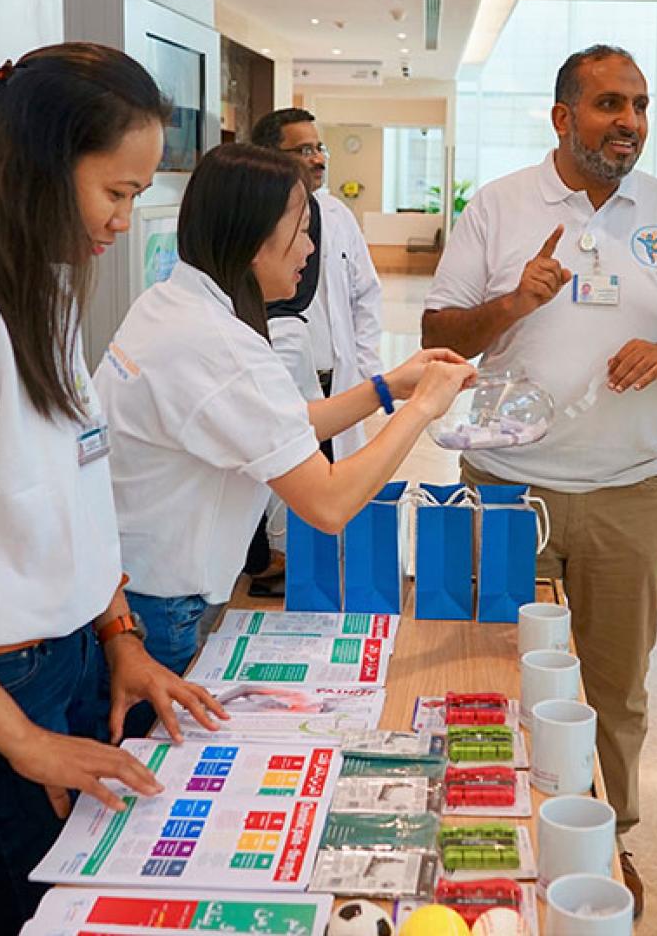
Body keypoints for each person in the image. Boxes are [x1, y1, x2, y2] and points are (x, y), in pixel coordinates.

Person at [421, 44, 657, 914]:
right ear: (562, 117)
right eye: (607, 105)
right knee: (493, 673)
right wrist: (513, 303)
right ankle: (502, 832)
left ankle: (608, 836)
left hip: (632, 492)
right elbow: (439, 327)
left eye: (638, 104)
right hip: (505, 486)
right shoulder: (500, 206)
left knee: (613, 685)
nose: (628, 121)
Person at [0, 43, 224, 936]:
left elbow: (77, 482)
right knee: (40, 917)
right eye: (117, 192)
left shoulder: (46, 284)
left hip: (69, 658)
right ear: (38, 165)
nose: (123, 220)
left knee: (103, 902)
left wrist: (119, 633)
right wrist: (23, 741)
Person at [94, 142, 474, 683]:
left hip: (137, 591)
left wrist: (389, 388)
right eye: (300, 231)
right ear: (253, 240)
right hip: (157, 611)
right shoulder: (219, 346)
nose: (311, 248)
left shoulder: (170, 304)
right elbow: (329, 502)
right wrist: (423, 410)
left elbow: (279, 424)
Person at [250, 107, 383, 457]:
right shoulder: (252, 218)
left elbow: (366, 294)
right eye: (305, 150)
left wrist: (366, 371)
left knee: (332, 481)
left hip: (337, 384)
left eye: (320, 148)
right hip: (278, 384)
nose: (319, 159)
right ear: (270, 156)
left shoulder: (338, 215)